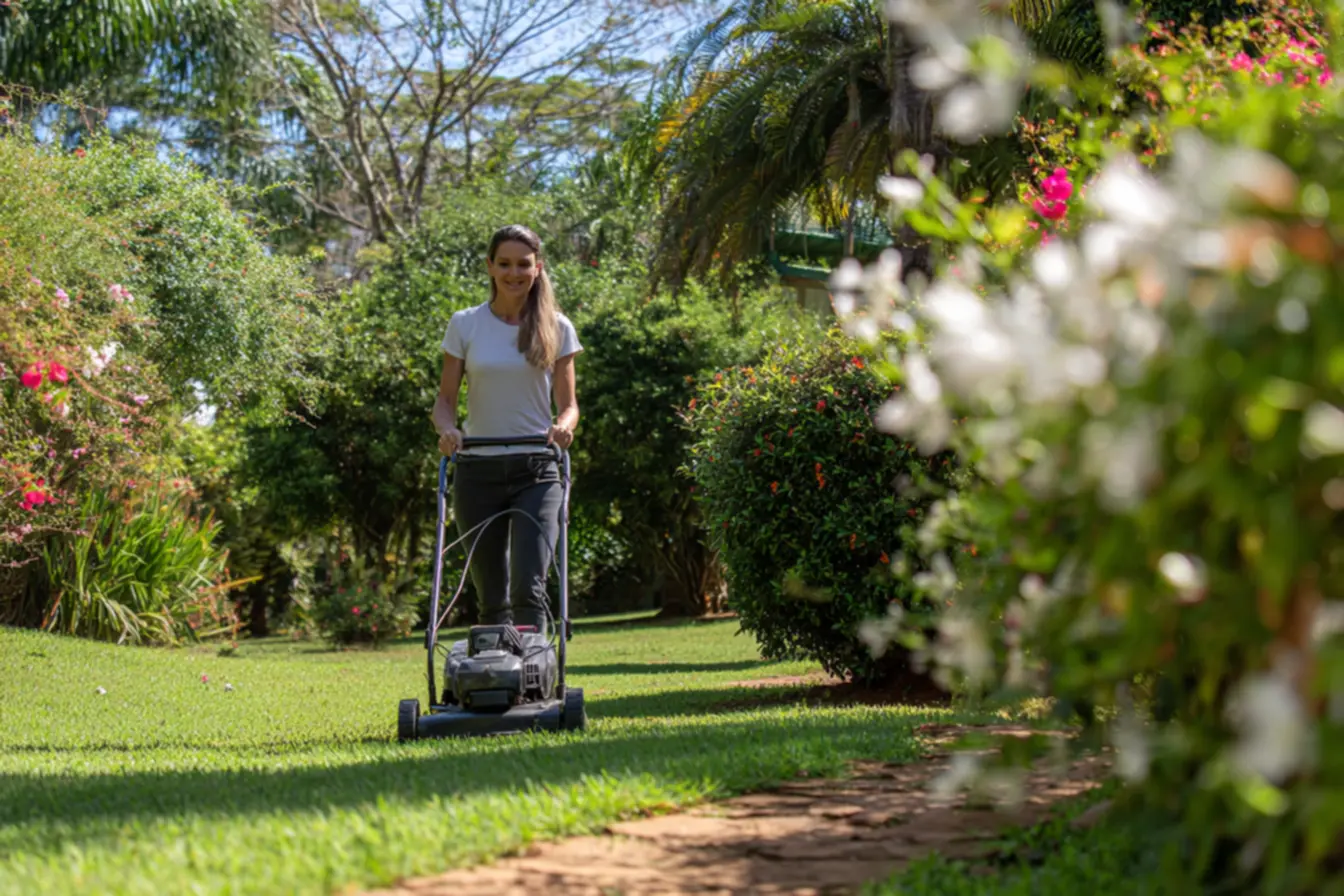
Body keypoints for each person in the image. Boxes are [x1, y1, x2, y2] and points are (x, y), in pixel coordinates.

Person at [431, 224, 582, 636]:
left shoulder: (558, 326)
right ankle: (494, 681)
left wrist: (563, 428)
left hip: (536, 469)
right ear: (490, 267)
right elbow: (444, 402)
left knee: (528, 586)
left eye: (523, 264)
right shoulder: (465, 325)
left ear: (538, 267)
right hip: (477, 469)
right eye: (504, 264)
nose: (514, 273)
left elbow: (569, 406)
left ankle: (532, 675)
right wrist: (448, 431)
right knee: (491, 595)